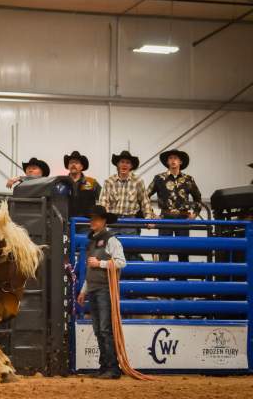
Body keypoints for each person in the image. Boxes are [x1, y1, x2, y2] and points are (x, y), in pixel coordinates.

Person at [77, 205, 126, 379]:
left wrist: (101, 264)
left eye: (96, 219)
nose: (92, 221)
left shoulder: (111, 240)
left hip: (105, 289)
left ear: (103, 221)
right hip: (94, 289)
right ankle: (105, 366)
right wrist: (84, 290)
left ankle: (112, 368)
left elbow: (121, 262)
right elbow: (90, 271)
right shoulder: (92, 241)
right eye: (92, 218)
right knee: (99, 329)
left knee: (104, 329)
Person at [98, 150, 155, 260]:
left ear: (131, 166)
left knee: (130, 252)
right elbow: (103, 202)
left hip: (131, 222)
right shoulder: (109, 182)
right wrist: (103, 220)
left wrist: (149, 219)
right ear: (118, 165)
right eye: (122, 162)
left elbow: (145, 201)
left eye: (127, 163)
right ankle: (115, 277)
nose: (124, 164)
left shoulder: (138, 181)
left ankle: (132, 275)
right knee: (112, 253)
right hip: (113, 222)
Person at [148, 149, 202, 262]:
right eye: (170, 158)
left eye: (176, 158)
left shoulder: (188, 179)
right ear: (167, 162)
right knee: (163, 251)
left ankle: (182, 279)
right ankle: (163, 279)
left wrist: (195, 214)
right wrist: (153, 215)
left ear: (180, 162)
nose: (173, 160)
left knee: (183, 251)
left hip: (183, 218)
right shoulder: (159, 178)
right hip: (165, 218)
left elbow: (198, 198)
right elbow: (144, 197)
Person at [64, 151, 101, 221]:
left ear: (81, 167)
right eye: (71, 162)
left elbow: (103, 199)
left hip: (86, 224)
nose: (73, 165)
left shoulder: (92, 182)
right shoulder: (61, 183)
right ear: (68, 166)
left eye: (77, 163)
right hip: (66, 224)